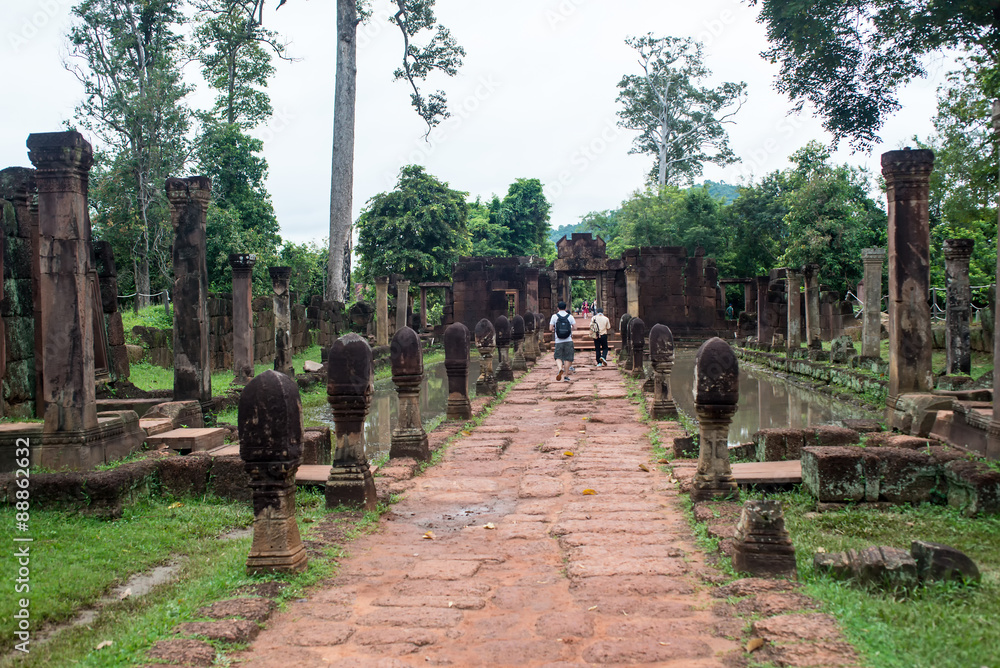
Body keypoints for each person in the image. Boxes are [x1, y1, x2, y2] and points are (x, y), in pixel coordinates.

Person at [549, 300, 576, 381]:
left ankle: (560, 368)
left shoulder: (554, 316)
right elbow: (575, 327)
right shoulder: (570, 316)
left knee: (557, 356)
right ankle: (566, 375)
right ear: (566, 308)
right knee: (568, 358)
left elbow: (550, 328)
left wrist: (555, 329)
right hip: (568, 340)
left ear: (558, 308)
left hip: (558, 340)